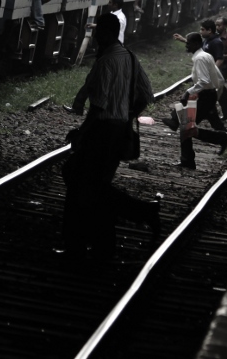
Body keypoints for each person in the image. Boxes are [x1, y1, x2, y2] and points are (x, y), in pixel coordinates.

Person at [63, 13, 161, 256]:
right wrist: (128, 115)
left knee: (80, 180)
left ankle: (135, 216)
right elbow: (146, 94)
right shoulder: (129, 56)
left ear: (105, 33)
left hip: (102, 131)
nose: (96, 38)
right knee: (94, 185)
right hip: (119, 131)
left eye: (98, 33)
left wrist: (82, 131)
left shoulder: (107, 61)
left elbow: (99, 104)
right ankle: (100, 243)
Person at [164, 32, 227, 170]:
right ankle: (188, 158)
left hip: (206, 96)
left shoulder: (200, 59)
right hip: (206, 95)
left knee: (187, 126)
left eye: (188, 43)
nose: (186, 45)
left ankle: (220, 139)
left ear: (195, 44)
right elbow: (218, 77)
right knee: (186, 125)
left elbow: (204, 81)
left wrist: (188, 92)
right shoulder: (205, 55)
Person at [175, 19, 227, 120]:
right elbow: (198, 45)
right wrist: (183, 40)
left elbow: (220, 59)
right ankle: (224, 111)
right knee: (216, 90)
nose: (200, 32)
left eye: (202, 29)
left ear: (209, 31)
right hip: (210, 69)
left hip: (220, 68)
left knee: (214, 90)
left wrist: (212, 72)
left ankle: (221, 111)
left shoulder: (216, 42)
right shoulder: (207, 40)